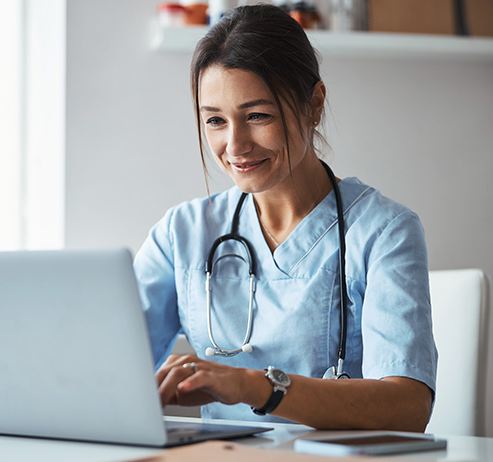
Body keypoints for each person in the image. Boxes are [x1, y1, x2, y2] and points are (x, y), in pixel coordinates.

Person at [133, 4, 437, 431]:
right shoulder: (181, 234)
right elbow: (104, 367)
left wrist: (256, 386)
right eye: (216, 121)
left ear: (314, 104)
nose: (235, 146)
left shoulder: (384, 233)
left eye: (258, 116)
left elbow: (407, 408)